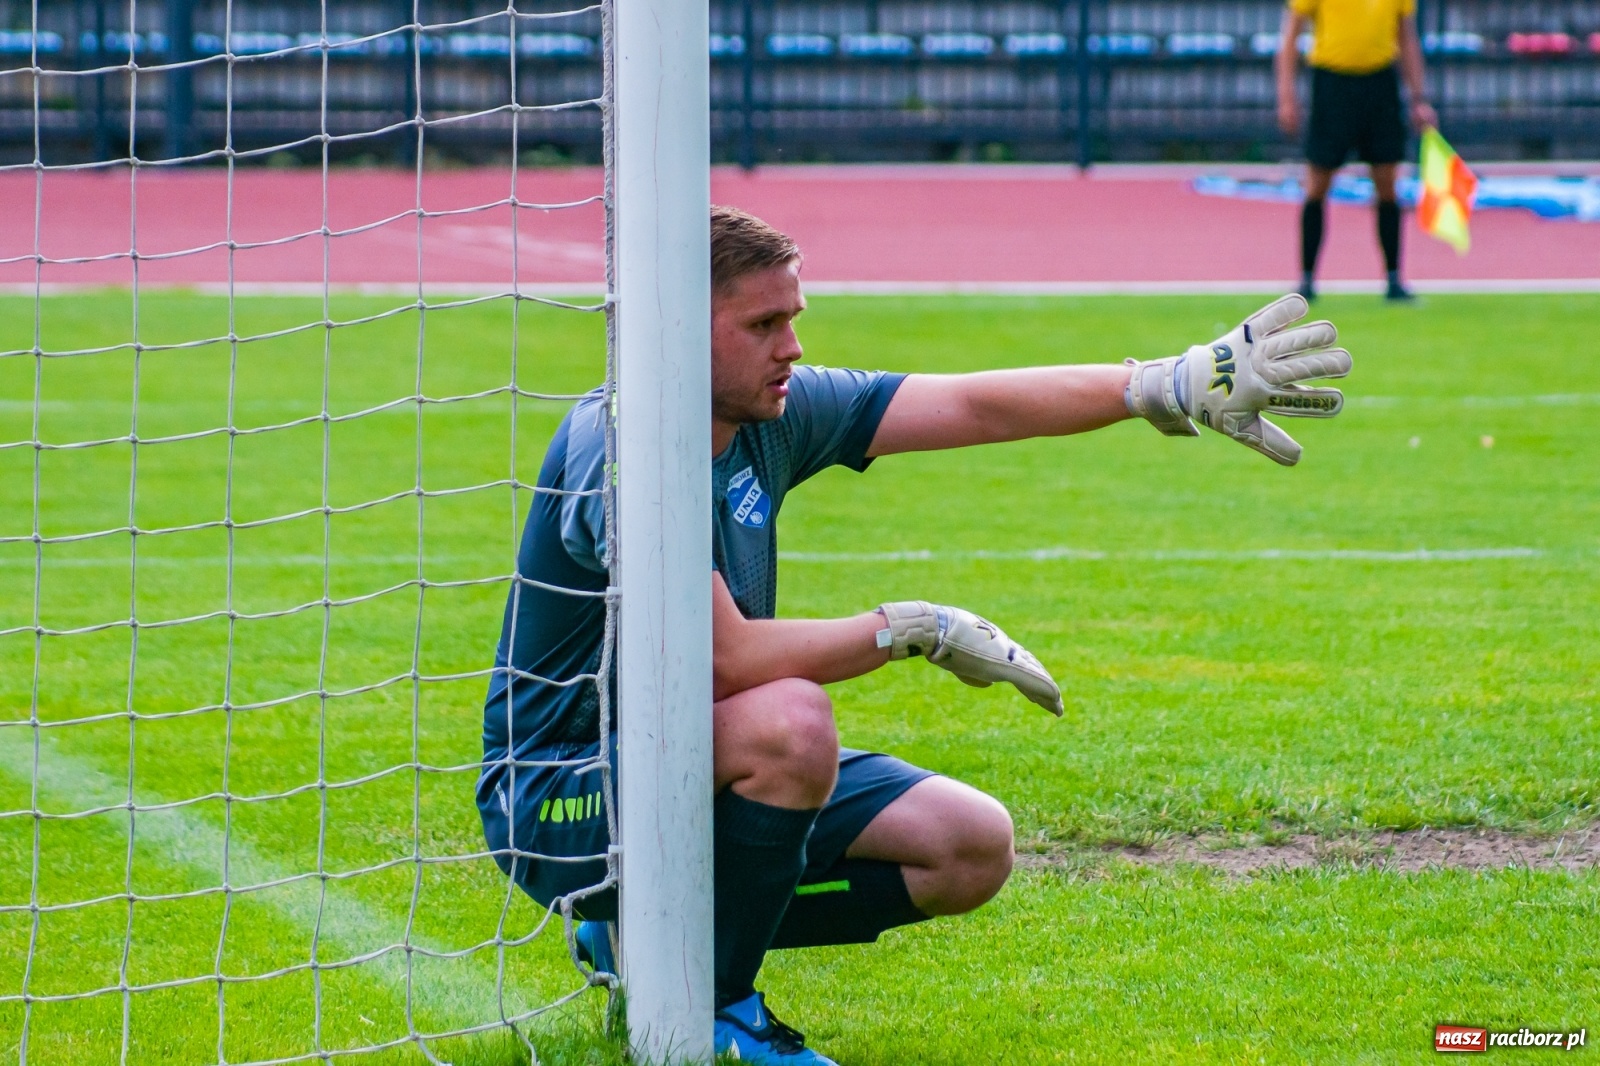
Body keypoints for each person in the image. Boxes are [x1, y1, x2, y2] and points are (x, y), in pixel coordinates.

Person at [477, 206, 1352, 1064]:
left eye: (794, 318)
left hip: (690, 756)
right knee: (792, 721)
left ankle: (634, 936)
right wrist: (916, 629)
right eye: (763, 323)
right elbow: (730, 661)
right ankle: (716, 1012)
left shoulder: (766, 417)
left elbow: (970, 406)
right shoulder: (622, 449)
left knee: (969, 846)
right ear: (675, 327)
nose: (794, 347)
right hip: (557, 793)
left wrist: (1158, 383)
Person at [1275, 0, 1439, 301]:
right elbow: (1290, 37)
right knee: (1318, 183)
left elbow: (1406, 37)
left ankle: (1393, 279)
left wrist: (1418, 97)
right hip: (1332, 81)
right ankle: (1307, 280)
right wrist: (1286, 96)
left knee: (1387, 182)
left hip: (1379, 82)